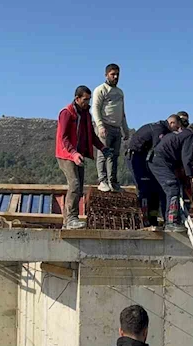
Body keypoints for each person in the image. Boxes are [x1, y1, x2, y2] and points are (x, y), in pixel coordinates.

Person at [55, 85, 106, 229]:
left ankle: (69, 221)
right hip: (66, 154)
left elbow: (91, 135)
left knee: (79, 186)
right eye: (85, 99)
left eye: (89, 100)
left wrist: (102, 148)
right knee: (75, 184)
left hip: (79, 155)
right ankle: (71, 218)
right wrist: (73, 153)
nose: (87, 103)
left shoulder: (86, 115)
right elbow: (63, 137)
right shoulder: (67, 113)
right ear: (77, 98)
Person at [149, 114, 193, 232]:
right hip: (160, 161)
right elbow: (186, 157)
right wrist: (190, 176)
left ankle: (171, 218)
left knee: (169, 188)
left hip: (155, 159)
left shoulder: (179, 134)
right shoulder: (190, 136)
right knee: (173, 188)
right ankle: (171, 221)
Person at [92, 63, 131, 192]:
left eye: (117, 74)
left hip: (116, 127)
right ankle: (102, 180)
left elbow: (122, 111)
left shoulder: (120, 92)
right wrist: (100, 125)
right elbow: (95, 108)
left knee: (114, 156)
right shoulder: (100, 89)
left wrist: (125, 129)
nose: (115, 77)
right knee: (103, 154)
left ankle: (112, 181)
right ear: (106, 75)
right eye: (112, 74)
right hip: (105, 126)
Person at [126, 119, 171, 225]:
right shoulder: (159, 129)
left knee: (155, 189)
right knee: (144, 189)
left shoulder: (161, 128)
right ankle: (144, 219)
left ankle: (153, 218)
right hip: (136, 157)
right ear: (172, 123)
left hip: (144, 158)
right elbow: (157, 150)